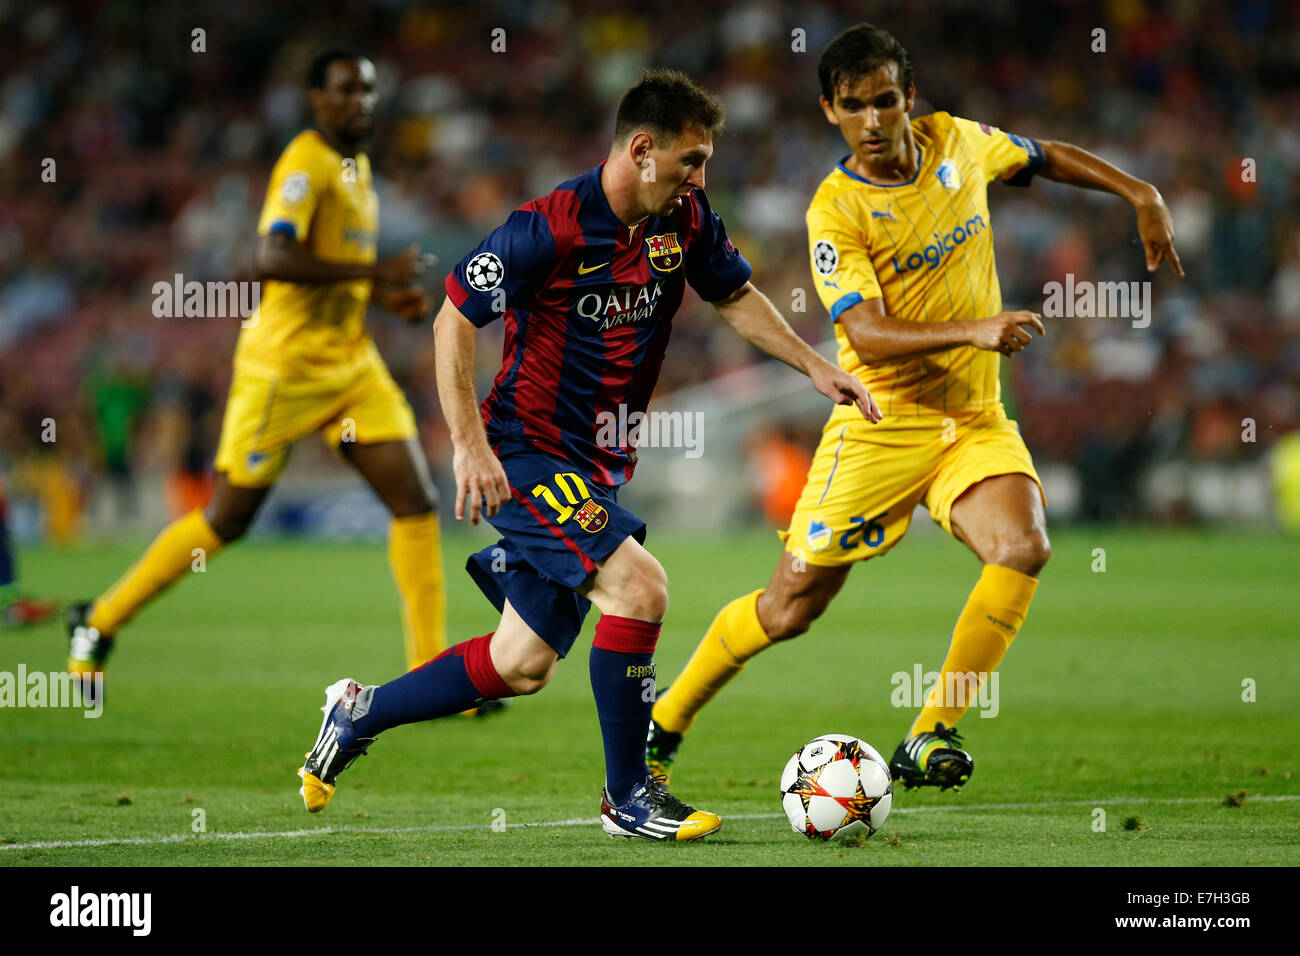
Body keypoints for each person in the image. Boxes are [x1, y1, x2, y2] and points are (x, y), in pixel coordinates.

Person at [296, 69, 880, 841]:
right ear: (642, 149)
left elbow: (734, 295)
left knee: (521, 665)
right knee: (640, 588)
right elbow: (451, 321)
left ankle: (358, 712)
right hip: (523, 453)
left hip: (597, 466)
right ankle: (628, 797)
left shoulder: (686, 219)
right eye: (690, 160)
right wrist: (470, 450)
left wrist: (814, 365)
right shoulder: (551, 226)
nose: (700, 178)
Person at [648, 22, 1183, 791]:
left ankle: (930, 732)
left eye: (886, 101)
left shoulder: (958, 141)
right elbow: (861, 331)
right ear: (830, 110)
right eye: (853, 106)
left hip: (972, 419)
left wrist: (1140, 190)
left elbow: (1043, 155)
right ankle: (666, 722)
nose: (872, 121)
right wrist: (978, 328)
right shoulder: (836, 210)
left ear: (909, 97)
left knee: (1023, 546)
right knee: (789, 606)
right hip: (881, 421)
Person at [67, 50, 452, 685]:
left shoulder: (354, 166)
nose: (361, 100)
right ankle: (101, 617)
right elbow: (272, 256)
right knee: (229, 518)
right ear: (316, 99)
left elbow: (330, 265)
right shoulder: (304, 162)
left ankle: (431, 674)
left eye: (369, 90)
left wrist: (383, 297)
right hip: (285, 369)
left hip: (351, 361)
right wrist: (374, 272)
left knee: (415, 500)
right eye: (346, 90)